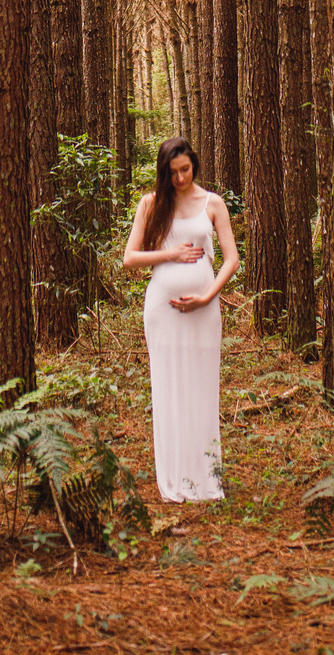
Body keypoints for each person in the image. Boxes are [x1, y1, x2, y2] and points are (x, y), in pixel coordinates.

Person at [122, 135, 239, 503]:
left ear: (194, 165)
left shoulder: (213, 203)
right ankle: (174, 476)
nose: (180, 178)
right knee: (169, 387)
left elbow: (232, 259)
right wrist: (170, 254)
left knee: (202, 387)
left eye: (185, 169)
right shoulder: (151, 204)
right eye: (172, 172)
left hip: (204, 310)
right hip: (164, 311)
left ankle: (205, 476)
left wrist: (208, 296)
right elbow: (129, 258)